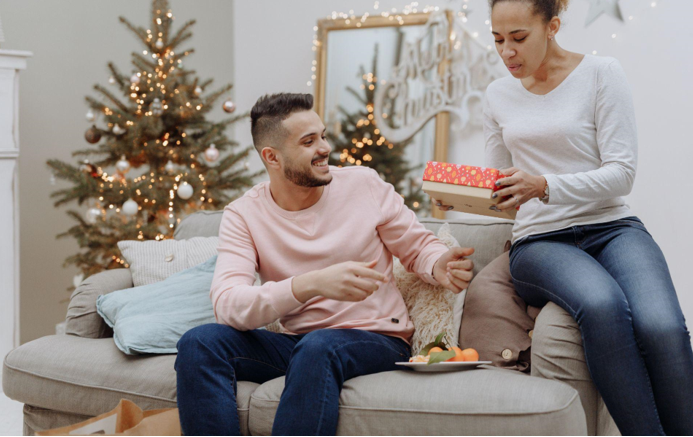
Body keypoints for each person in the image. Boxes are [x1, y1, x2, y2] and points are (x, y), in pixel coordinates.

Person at [437, 0, 693, 434]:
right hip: (540, 241)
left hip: (612, 226)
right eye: (497, 40)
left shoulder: (601, 74)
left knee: (663, 326)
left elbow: (622, 173)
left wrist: (543, 184)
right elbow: (501, 186)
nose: (507, 53)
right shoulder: (498, 95)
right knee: (601, 306)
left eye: (518, 37)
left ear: (552, 27)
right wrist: (460, 196)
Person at [174, 93, 475, 436]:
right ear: (271, 157)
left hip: (374, 337)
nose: (324, 148)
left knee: (319, 346)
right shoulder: (244, 215)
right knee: (199, 342)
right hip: (296, 343)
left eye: (323, 135)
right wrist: (311, 284)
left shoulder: (363, 184)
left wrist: (440, 265)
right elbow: (228, 306)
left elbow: (417, 247)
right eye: (308, 141)